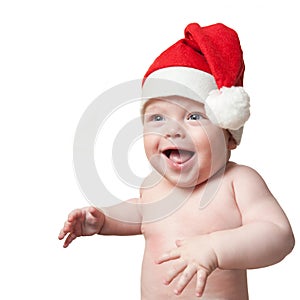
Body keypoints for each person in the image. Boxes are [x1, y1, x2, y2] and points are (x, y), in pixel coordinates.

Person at [58, 23, 295, 299]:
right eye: (158, 118)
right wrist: (102, 220)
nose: (172, 130)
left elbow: (278, 235)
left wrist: (215, 248)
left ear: (229, 136)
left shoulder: (238, 182)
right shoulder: (154, 186)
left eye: (194, 116)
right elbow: (141, 214)